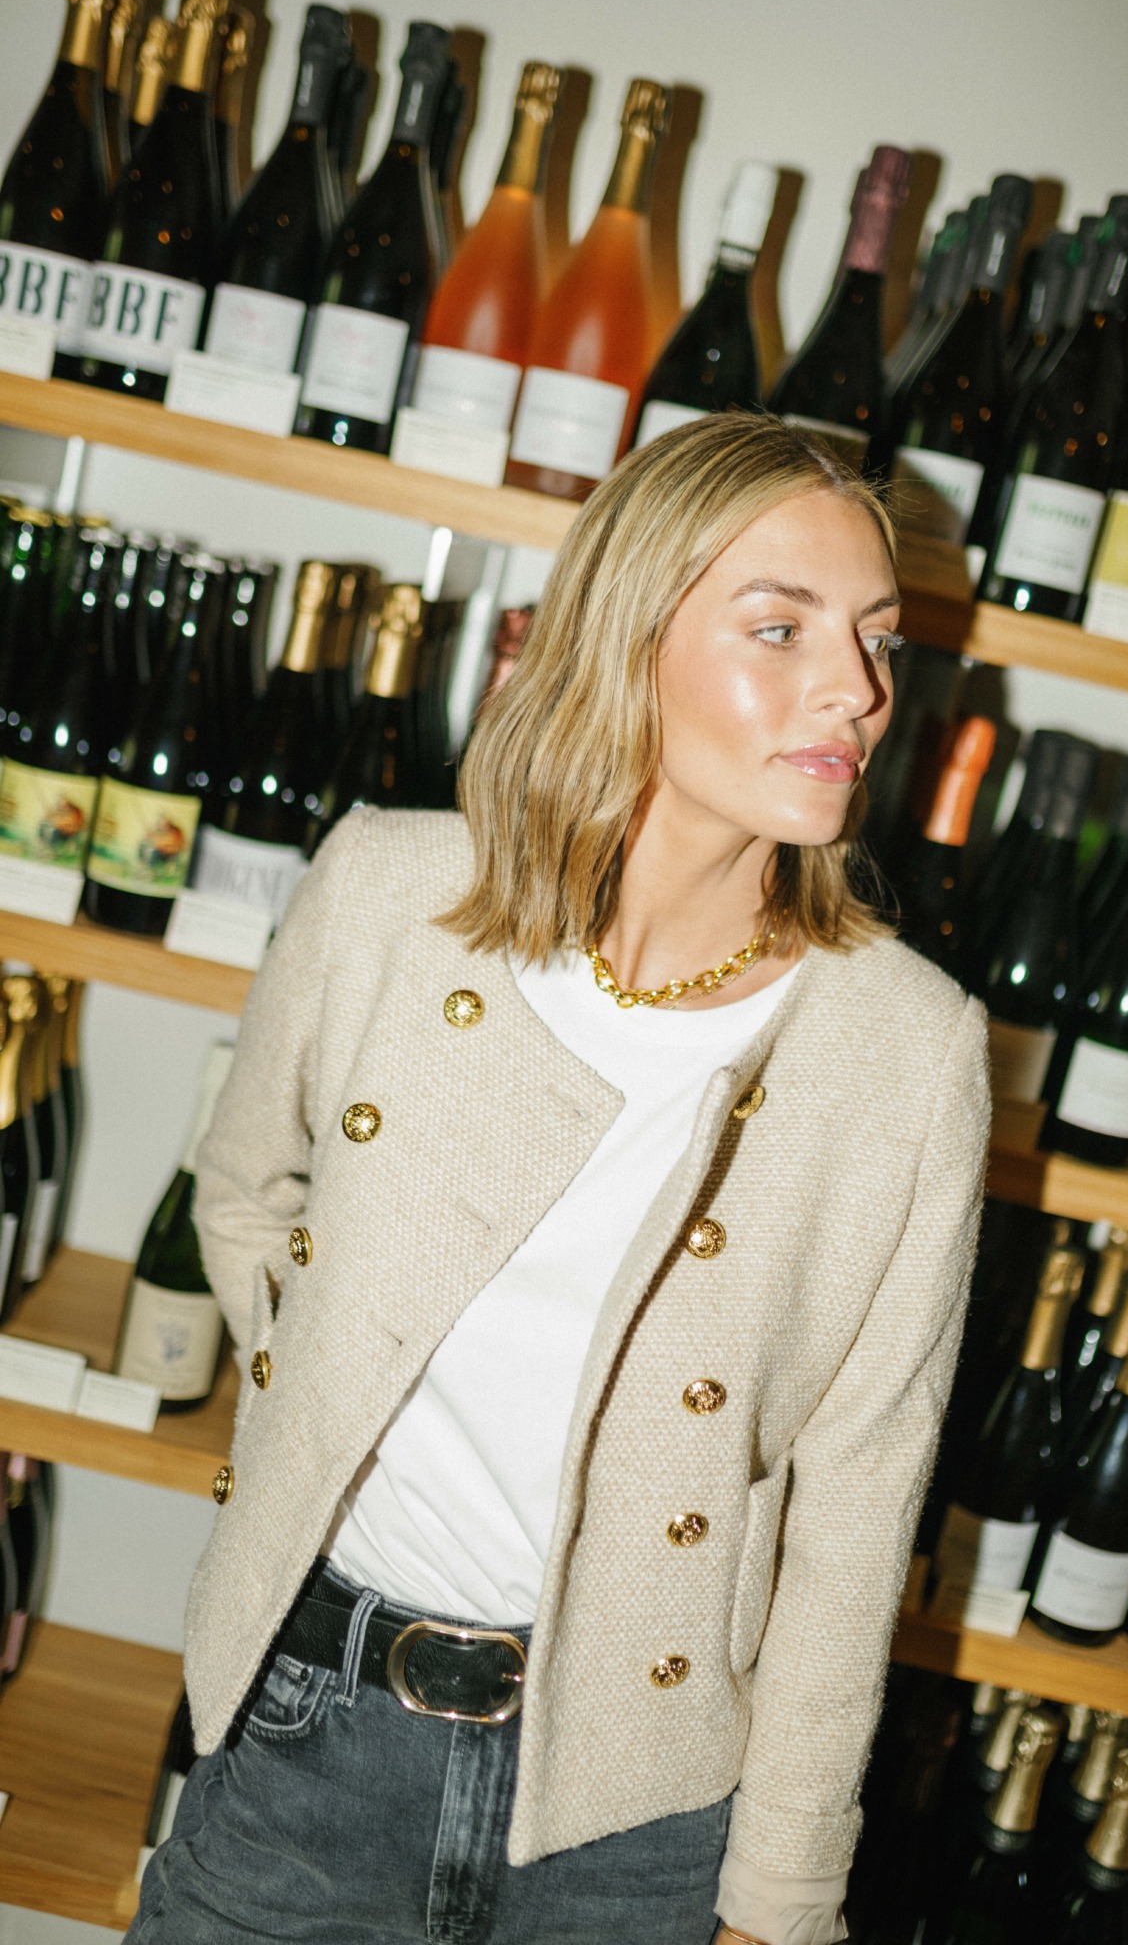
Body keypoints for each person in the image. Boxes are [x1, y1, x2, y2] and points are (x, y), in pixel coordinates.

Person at [128, 413, 990, 1945]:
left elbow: (856, 1512)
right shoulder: (390, 895)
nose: (856, 690)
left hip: (634, 1814)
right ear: (626, 635)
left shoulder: (904, 1050)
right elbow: (247, 1196)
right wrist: (334, 1388)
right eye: (780, 628)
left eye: (874, 638)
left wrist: (780, 1900)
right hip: (308, 1734)